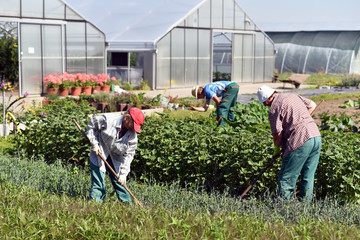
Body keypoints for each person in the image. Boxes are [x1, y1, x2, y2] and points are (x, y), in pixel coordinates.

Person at [257, 85, 321, 203]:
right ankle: (304, 208)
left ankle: (282, 207)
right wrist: (300, 120)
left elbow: (277, 134)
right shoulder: (292, 95)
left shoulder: (274, 109)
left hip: (299, 140)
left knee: (286, 177)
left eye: (264, 103)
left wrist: (276, 149)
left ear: (267, 99)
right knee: (308, 176)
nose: (265, 105)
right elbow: (312, 104)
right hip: (315, 136)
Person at [86, 107, 145, 203]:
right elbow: (92, 124)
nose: (133, 128)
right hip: (100, 150)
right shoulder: (108, 120)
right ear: (127, 117)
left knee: (120, 181)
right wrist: (94, 144)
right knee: (98, 179)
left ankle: (127, 204)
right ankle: (96, 203)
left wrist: (123, 174)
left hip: (117, 156)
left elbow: (129, 155)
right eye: (133, 124)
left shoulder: (132, 135)